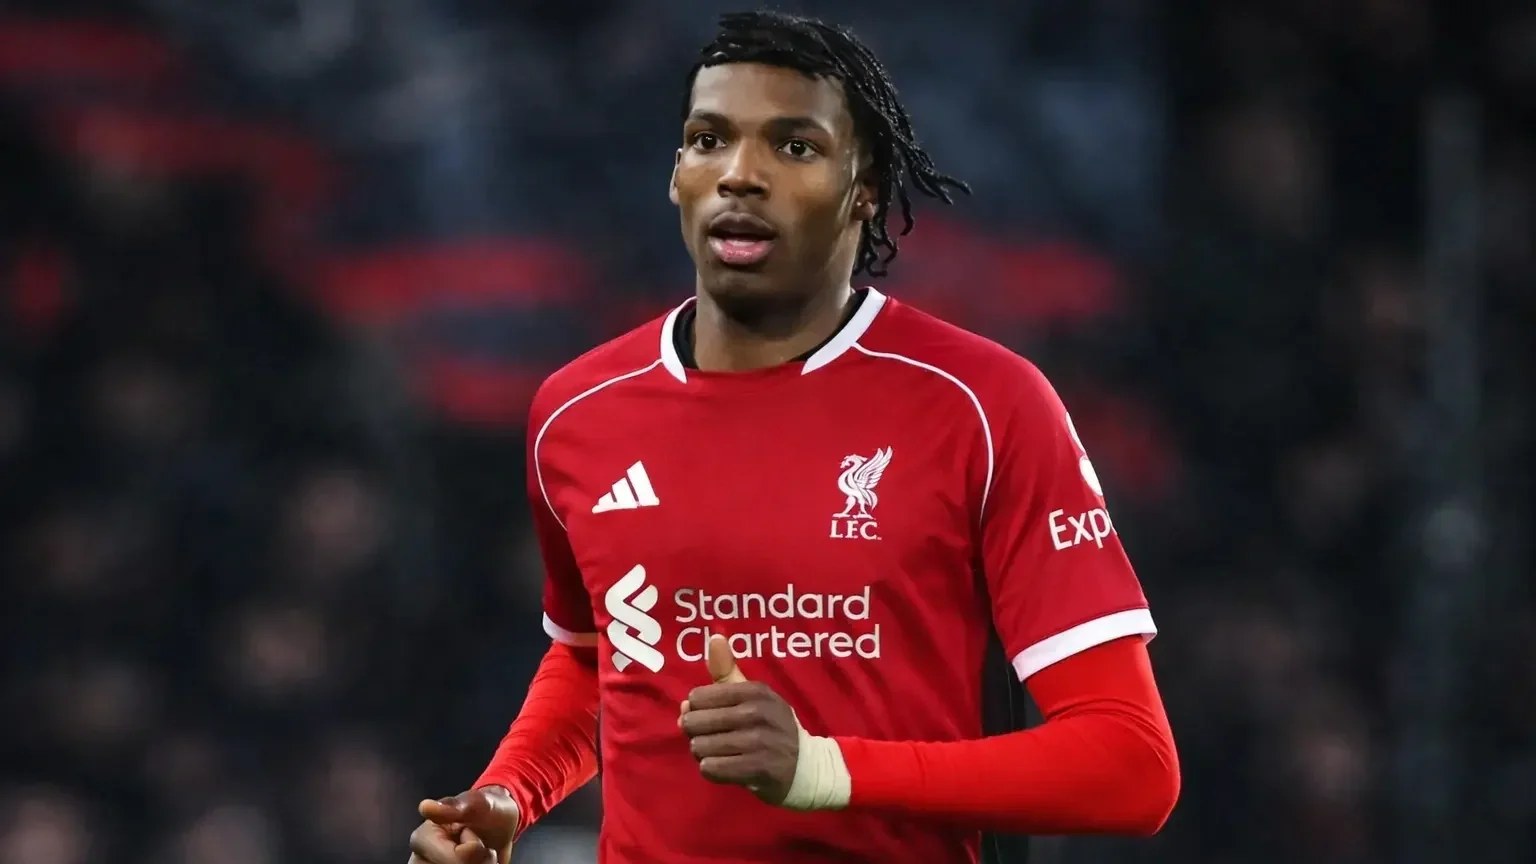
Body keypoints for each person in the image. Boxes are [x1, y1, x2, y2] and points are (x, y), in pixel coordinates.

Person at [408, 10, 1179, 864]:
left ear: (866, 187)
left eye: (795, 146)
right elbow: (599, 663)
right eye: (709, 140)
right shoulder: (577, 411)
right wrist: (511, 790)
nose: (740, 175)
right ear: (675, 176)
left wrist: (823, 770)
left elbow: (1131, 765)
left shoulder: (984, 406)